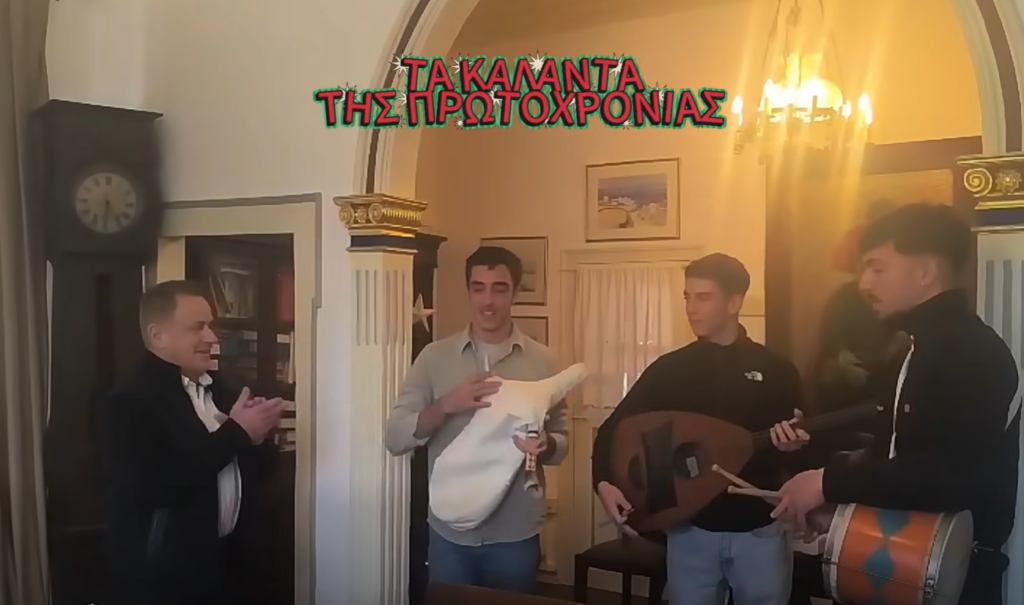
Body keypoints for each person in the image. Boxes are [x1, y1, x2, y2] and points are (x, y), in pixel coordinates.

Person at [773, 203, 1021, 605]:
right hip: (898, 568)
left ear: (924, 273)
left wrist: (826, 482)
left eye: (877, 267)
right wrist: (839, 507)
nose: (864, 283)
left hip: (952, 577)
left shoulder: (973, 352)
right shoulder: (913, 350)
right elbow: (893, 457)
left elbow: (949, 477)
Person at [591, 253, 809, 605]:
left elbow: (802, 448)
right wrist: (603, 481)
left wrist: (794, 446)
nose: (691, 309)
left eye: (703, 297)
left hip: (759, 529)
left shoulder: (776, 369)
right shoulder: (670, 369)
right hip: (689, 529)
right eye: (687, 297)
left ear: (734, 303)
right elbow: (614, 428)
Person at [384, 246, 569, 594]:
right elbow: (395, 438)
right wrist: (446, 405)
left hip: (515, 533)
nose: (488, 301)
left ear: (515, 292)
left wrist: (547, 445)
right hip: (449, 535)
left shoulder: (544, 363)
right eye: (478, 287)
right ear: (468, 290)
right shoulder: (433, 358)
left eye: (499, 288)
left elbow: (562, 440)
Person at [100, 280, 288, 605]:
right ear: (158, 336)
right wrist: (238, 432)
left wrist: (258, 435)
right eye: (197, 327)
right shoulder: (129, 402)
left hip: (232, 568)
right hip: (169, 580)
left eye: (211, 326)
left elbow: (256, 474)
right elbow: (156, 484)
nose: (212, 338)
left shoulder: (225, 390)